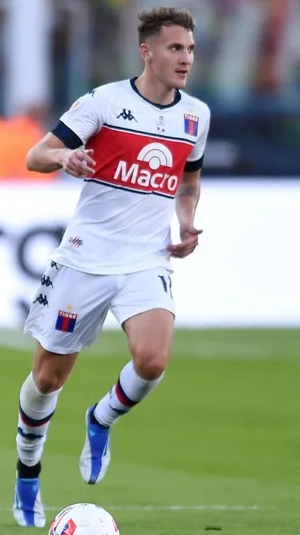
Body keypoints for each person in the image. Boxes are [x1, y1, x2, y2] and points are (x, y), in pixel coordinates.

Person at [12, 7, 211, 528]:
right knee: (47, 377)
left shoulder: (196, 116)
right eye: (175, 48)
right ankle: (28, 469)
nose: (185, 58)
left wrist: (186, 222)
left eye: (190, 49)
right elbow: (36, 155)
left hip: (146, 259)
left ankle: (102, 417)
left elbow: (188, 180)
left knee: (153, 359)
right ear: (147, 51)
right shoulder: (104, 102)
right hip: (86, 258)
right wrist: (65, 159)